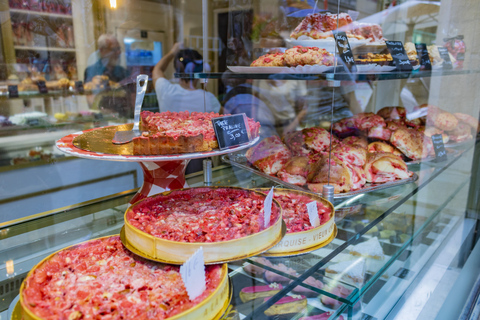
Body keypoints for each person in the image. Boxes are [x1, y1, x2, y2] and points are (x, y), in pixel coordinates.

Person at [152, 42, 221, 113]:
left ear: (177, 70)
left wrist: (173, 51)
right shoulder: (209, 99)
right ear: (200, 70)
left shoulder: (166, 90)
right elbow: (227, 116)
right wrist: (203, 85)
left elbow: (157, 69)